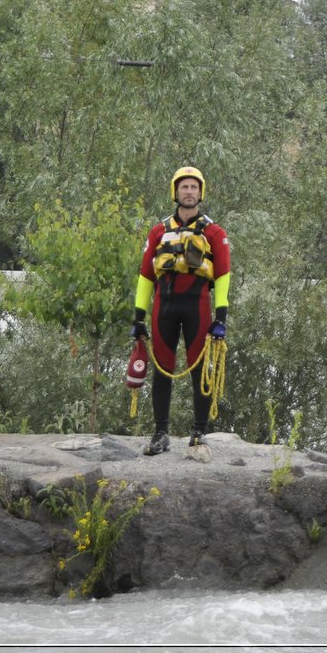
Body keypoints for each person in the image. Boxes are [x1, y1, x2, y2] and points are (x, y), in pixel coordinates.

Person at [132, 165, 231, 455]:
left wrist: (220, 318)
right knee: (162, 368)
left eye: (194, 187)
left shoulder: (214, 232)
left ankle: (199, 432)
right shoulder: (158, 231)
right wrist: (138, 317)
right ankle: (160, 433)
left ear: (201, 193)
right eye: (184, 187)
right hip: (164, 307)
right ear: (175, 192)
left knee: (200, 369)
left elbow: (223, 275)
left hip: (197, 307)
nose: (189, 192)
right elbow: (145, 276)